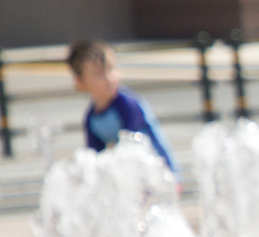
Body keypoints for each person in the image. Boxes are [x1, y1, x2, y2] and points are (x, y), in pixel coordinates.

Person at [66, 40, 179, 177]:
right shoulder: (91, 118)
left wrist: (173, 175)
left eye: (111, 69)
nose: (109, 78)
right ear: (80, 82)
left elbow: (133, 147)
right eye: (99, 74)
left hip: (157, 168)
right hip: (131, 172)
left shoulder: (127, 105)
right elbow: (94, 158)